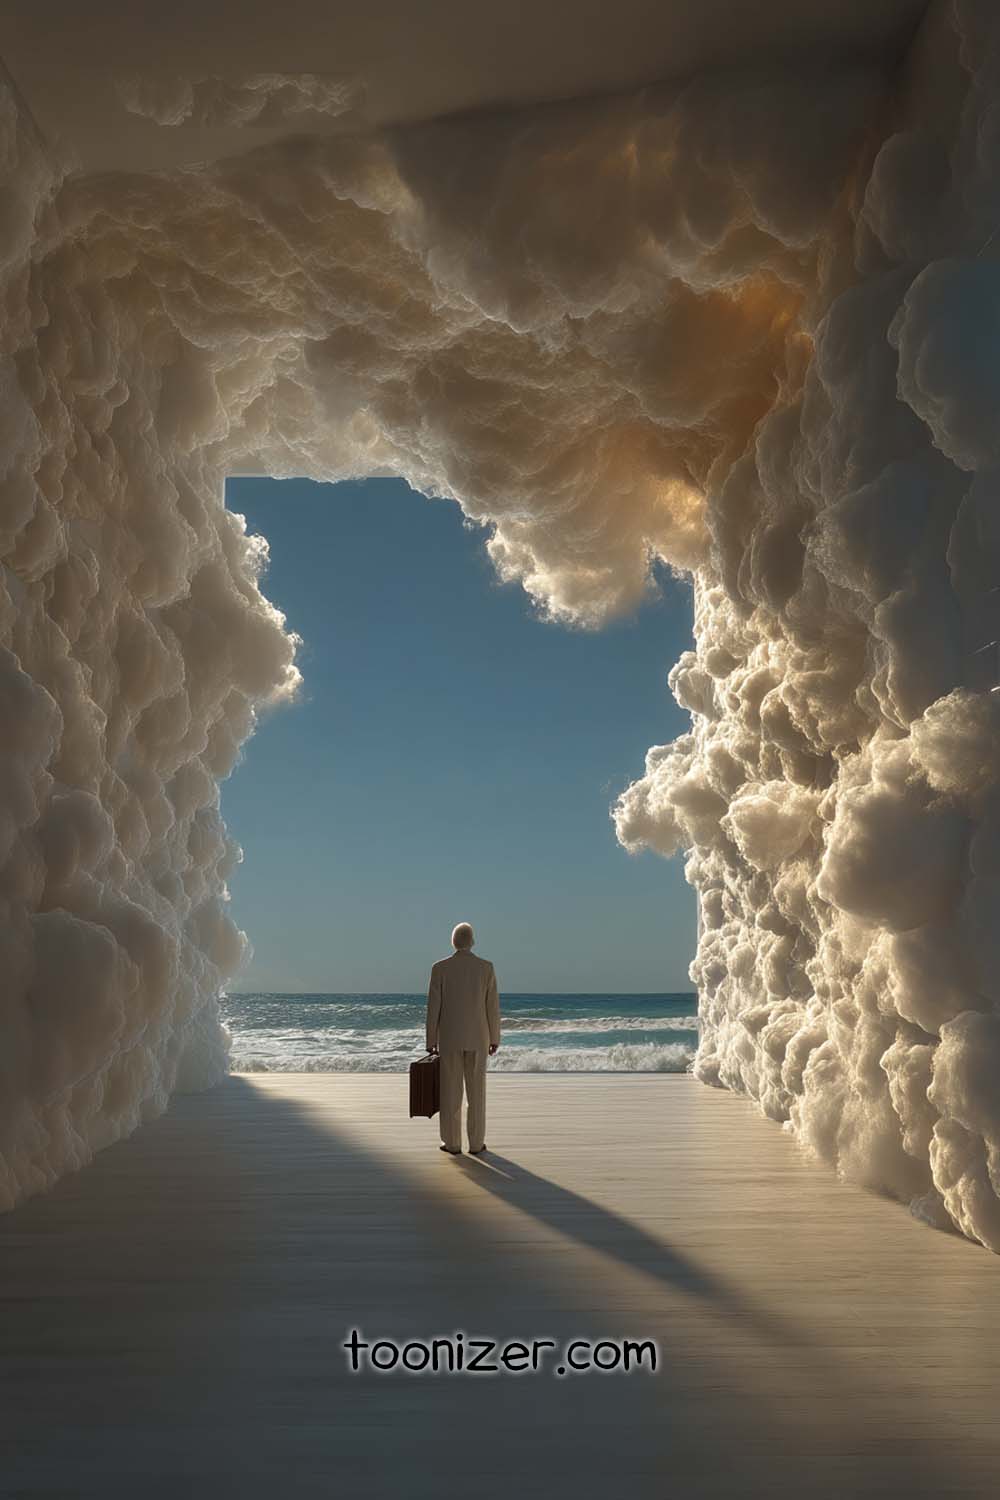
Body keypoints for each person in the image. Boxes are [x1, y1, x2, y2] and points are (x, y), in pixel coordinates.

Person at [425, 922, 501, 1155]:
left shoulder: (440, 968)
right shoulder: (486, 967)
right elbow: (492, 1006)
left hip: (449, 1037)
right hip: (478, 1036)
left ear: (453, 942)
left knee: (451, 1092)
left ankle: (453, 1143)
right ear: (472, 941)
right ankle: (476, 1144)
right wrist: (495, 1036)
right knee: (477, 1092)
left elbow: (433, 1007)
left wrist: (431, 1039)